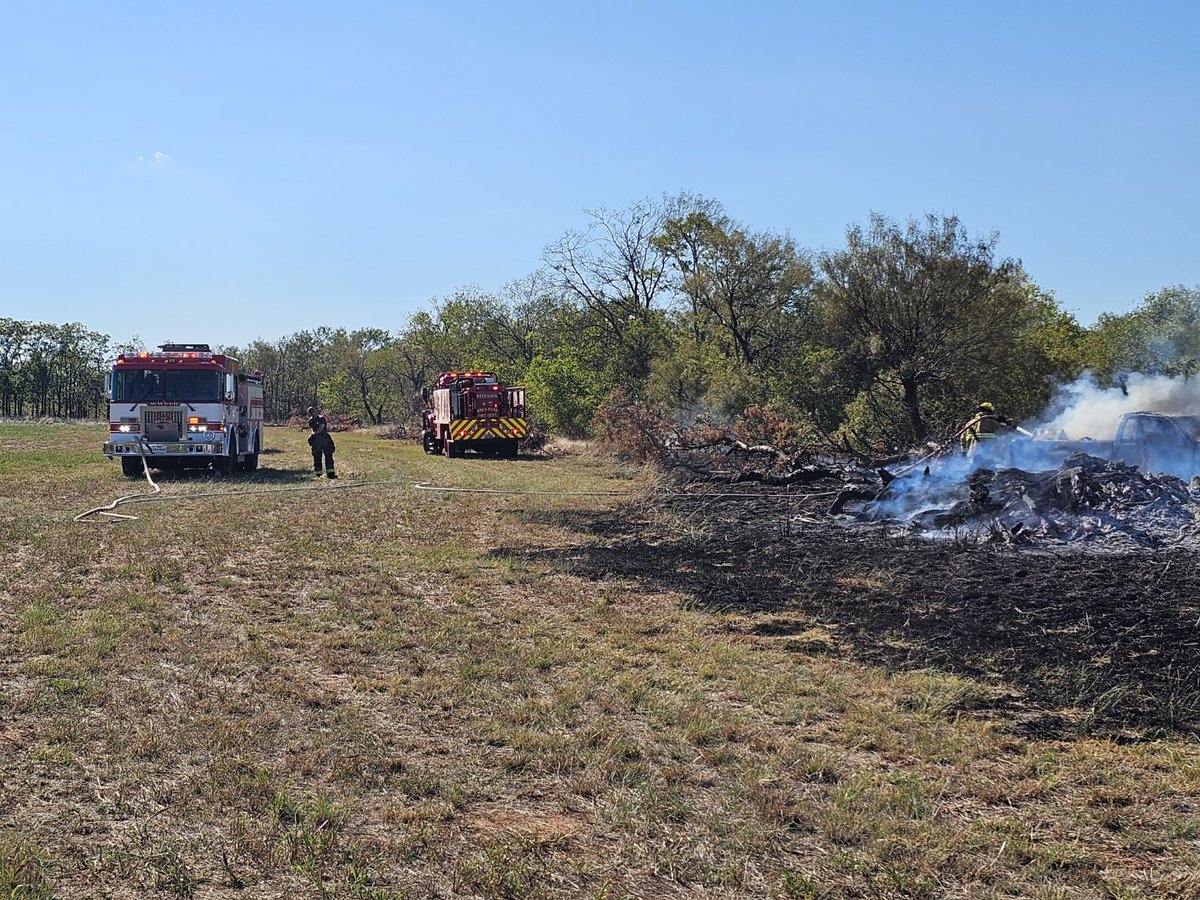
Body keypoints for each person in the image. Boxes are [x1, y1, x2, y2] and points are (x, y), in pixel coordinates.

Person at [307, 406, 337, 478]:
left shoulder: (321, 418)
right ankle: (318, 473)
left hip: (325, 439)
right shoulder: (310, 420)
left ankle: (330, 474)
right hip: (316, 441)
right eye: (310, 412)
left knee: (328, 456)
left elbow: (321, 428)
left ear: (315, 411)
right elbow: (312, 429)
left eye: (313, 411)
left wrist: (313, 434)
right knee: (317, 456)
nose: (312, 413)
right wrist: (312, 436)